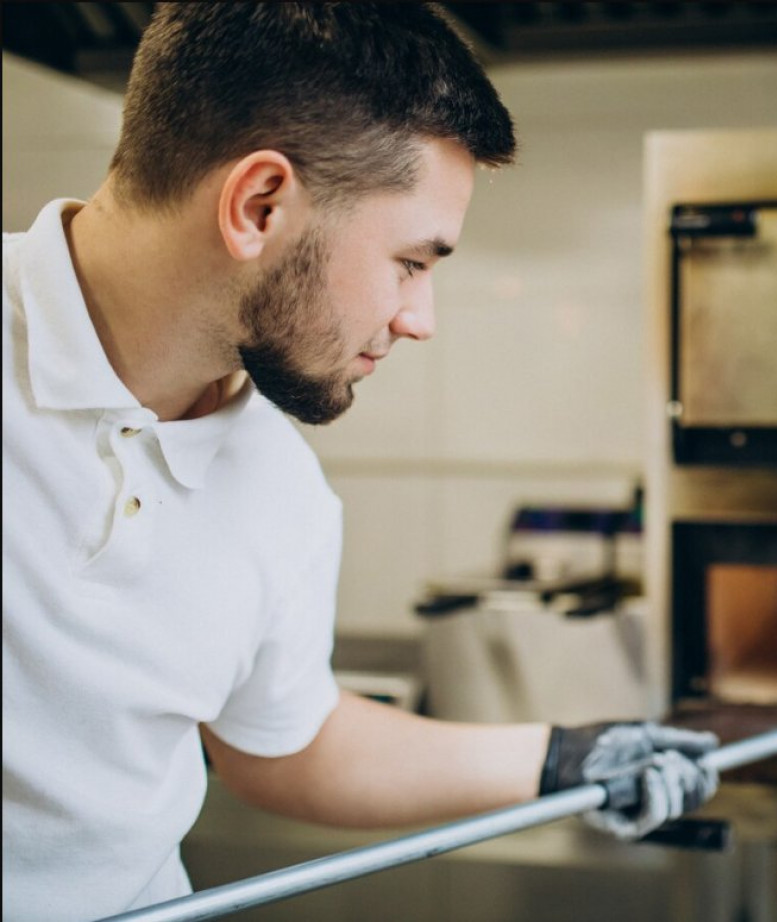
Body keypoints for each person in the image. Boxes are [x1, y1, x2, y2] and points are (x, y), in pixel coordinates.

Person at [0, 5, 718, 920]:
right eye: (412, 262)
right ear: (259, 205)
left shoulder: (279, 486)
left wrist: (562, 760)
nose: (422, 318)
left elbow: (288, 745)